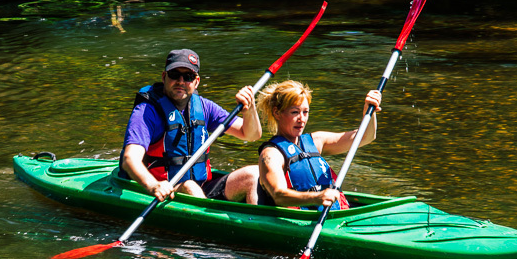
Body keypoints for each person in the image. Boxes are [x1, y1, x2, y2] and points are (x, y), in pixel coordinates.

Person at [120, 48, 263, 203]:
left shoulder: (205, 107)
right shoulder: (146, 112)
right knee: (190, 186)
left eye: (188, 76)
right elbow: (130, 159)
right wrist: (153, 185)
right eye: (175, 75)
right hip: (167, 189)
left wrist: (249, 110)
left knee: (253, 174)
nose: (181, 81)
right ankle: (213, 222)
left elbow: (250, 134)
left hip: (203, 187)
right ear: (164, 77)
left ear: (196, 82)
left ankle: (255, 222)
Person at [255, 80, 382, 209]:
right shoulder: (271, 154)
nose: (302, 119)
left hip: (337, 214)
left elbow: (366, 137)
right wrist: (317, 197)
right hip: (303, 220)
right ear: (277, 113)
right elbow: (278, 195)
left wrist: (369, 112)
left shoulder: (316, 141)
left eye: (305, 112)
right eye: (295, 112)